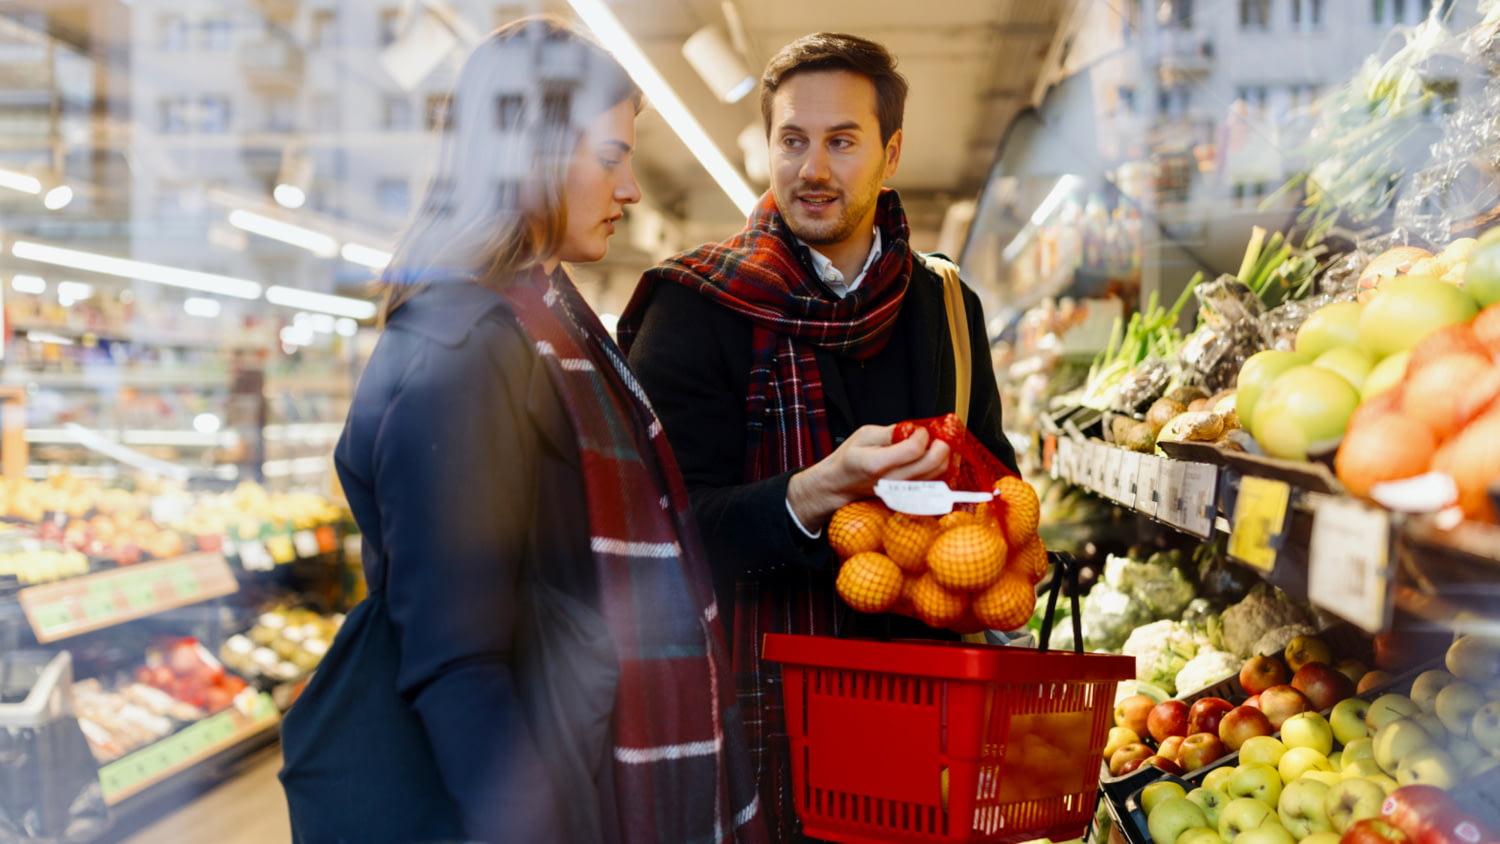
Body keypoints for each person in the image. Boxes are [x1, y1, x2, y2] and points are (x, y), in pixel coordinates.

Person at [279, 17, 766, 844]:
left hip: (588, 762)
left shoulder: (555, 325)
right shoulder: (467, 350)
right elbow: (457, 663)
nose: (631, 191)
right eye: (610, 158)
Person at [617, 32, 1019, 842]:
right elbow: (660, 537)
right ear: (767, 146)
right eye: (793, 140)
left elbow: (995, 472)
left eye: (843, 141)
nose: (814, 169)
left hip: (922, 725)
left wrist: (998, 549)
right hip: (758, 719)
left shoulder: (945, 308)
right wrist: (814, 494)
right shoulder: (695, 308)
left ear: (891, 153)